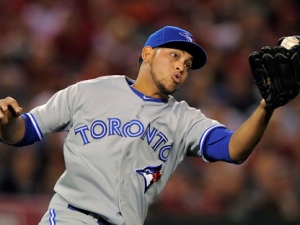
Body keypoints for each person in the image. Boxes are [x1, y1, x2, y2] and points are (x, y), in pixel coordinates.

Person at [0, 26, 274, 225]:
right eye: (174, 56)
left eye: (188, 64)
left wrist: (266, 106)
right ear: (147, 53)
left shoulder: (184, 119)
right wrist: (6, 123)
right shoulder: (90, 91)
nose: (181, 67)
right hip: (71, 217)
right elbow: (24, 131)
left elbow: (234, 149)